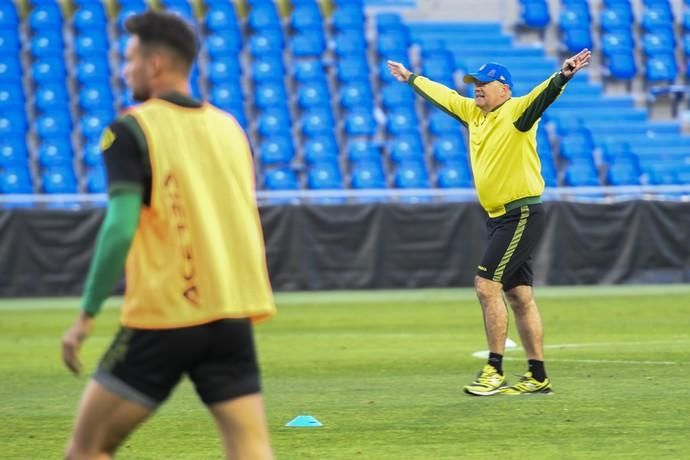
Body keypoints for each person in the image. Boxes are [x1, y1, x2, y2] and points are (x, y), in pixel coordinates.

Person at [61, 10, 277, 459]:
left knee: (86, 449)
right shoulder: (229, 127)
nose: (125, 70)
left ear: (155, 64)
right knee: (250, 451)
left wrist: (86, 315)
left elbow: (119, 228)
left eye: (130, 59)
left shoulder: (130, 130)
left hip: (166, 317)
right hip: (230, 313)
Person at [388, 49, 591, 396]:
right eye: (475, 83)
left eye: (484, 83)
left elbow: (543, 96)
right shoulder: (472, 113)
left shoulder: (516, 113)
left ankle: (494, 370)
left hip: (520, 213)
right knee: (520, 297)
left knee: (486, 286)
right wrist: (411, 78)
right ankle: (537, 376)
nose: (477, 88)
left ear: (504, 89)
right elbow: (444, 95)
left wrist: (563, 75)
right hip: (499, 218)